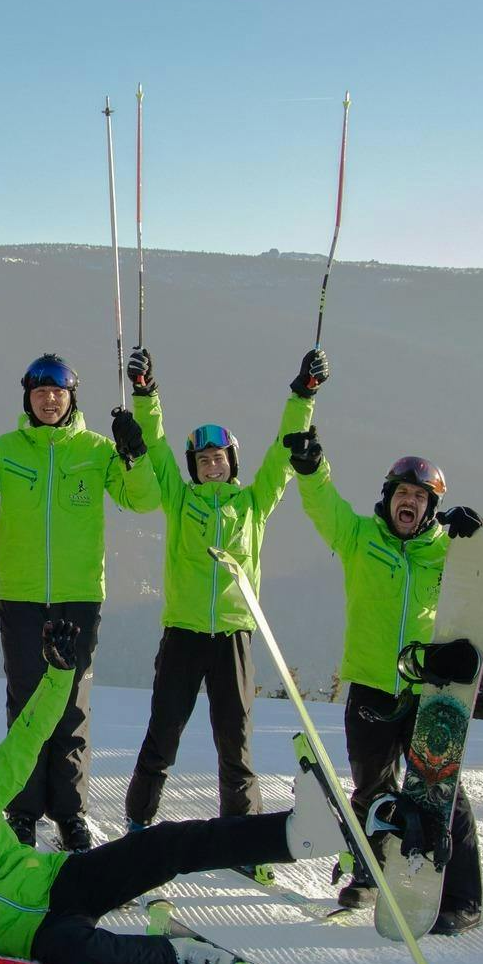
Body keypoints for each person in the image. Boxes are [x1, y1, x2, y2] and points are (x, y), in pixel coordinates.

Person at [0, 618, 347, 964]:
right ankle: (178, 958)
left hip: (64, 880)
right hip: (28, 934)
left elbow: (25, 739)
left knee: (166, 843)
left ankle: (291, 834)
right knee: (81, 953)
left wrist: (59, 675)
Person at [285, 426, 483, 931]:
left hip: (427, 693)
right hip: (370, 686)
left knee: (440, 792)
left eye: (419, 496)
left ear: (431, 506)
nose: (408, 502)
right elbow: (324, 505)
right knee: (371, 791)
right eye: (401, 494)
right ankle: (369, 877)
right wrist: (310, 467)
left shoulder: (447, 550)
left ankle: (463, 898)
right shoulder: (359, 539)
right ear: (387, 499)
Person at [0, 352, 162, 850]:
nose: (48, 400)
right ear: (28, 397)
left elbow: (143, 499)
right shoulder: (5, 449)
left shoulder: (95, 449)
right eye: (40, 392)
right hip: (21, 598)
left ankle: (70, 812)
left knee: (71, 706)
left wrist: (136, 455)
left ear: (71, 397)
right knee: (26, 704)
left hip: (79, 596)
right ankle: (22, 810)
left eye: (57, 392)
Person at [123, 348, 326, 842]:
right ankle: (138, 822)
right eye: (203, 459)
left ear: (232, 461)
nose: (211, 465)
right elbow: (156, 443)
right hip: (184, 635)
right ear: (193, 467)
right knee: (162, 736)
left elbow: (283, 452)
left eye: (218, 457)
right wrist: (146, 392)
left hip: (233, 637)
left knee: (235, 745)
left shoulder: (254, 504)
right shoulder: (179, 498)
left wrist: (303, 395)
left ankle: (241, 837)